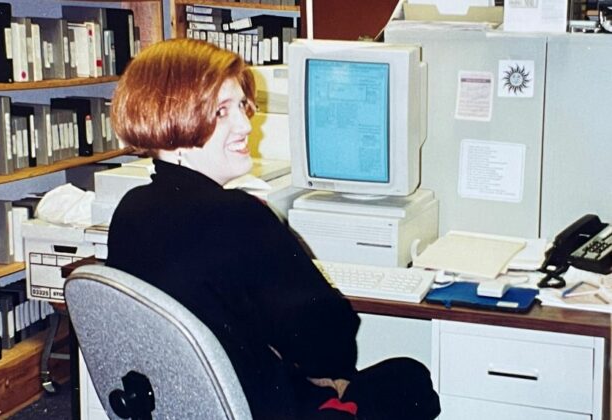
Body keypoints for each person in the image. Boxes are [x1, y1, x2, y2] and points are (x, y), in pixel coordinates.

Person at [106, 38, 440, 420]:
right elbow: (333, 346)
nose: (245, 124)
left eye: (241, 107)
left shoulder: (131, 209)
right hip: (262, 407)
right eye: (221, 112)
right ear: (174, 119)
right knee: (411, 379)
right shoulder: (237, 216)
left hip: (189, 406)